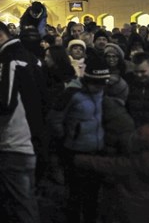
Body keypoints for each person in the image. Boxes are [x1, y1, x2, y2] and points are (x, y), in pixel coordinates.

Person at [0, 21, 45, 223]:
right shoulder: (32, 58)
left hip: (14, 143)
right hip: (33, 140)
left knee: (21, 205)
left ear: (0, 36)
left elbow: (5, 103)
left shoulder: (8, 59)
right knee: (16, 201)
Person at [47, 57, 110, 223]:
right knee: (75, 195)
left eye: (102, 83)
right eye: (96, 83)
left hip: (97, 151)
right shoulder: (72, 94)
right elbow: (55, 118)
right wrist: (66, 136)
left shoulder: (103, 92)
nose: (99, 87)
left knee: (93, 195)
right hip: (75, 152)